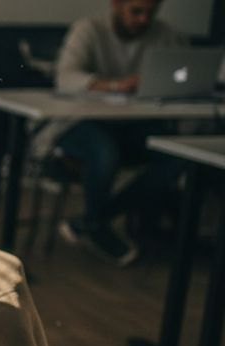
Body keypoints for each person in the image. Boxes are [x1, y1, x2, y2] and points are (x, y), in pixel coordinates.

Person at [53, 0, 187, 265]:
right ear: (116, 5)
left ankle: (92, 221)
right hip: (80, 122)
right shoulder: (88, 30)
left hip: (133, 124)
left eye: (150, 13)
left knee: (177, 154)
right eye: (136, 11)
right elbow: (65, 78)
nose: (143, 20)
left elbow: (184, 76)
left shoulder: (166, 35)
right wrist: (116, 85)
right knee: (104, 151)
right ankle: (95, 223)